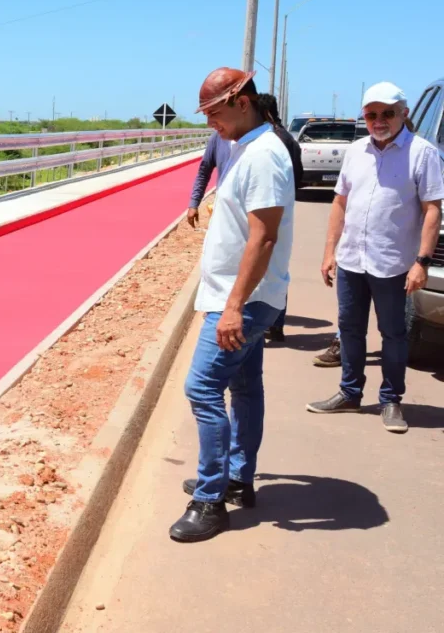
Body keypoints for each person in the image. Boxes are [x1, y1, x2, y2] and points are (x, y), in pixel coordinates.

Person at [172, 67, 294, 543]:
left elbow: (263, 238)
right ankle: (238, 478)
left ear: (242, 103)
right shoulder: (246, 147)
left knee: (202, 388)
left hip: (246, 301)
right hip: (244, 296)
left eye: (214, 113)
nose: (210, 124)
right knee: (244, 388)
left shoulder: (263, 155)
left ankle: (210, 501)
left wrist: (234, 307)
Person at [306, 82, 443, 433]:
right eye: (371, 115)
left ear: (404, 113)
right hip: (352, 260)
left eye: (387, 113)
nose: (379, 120)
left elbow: (432, 210)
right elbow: (340, 202)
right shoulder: (356, 151)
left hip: (393, 264)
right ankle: (349, 393)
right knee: (350, 329)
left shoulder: (422, 153)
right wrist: (329, 252)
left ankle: (391, 400)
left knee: (393, 334)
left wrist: (422, 262)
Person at [254, 92, 303, 342]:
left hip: (266, 209)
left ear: (263, 113)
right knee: (279, 268)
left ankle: (262, 322)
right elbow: (299, 176)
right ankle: (277, 325)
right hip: (286, 209)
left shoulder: (268, 141)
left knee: (262, 267)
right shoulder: (289, 139)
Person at [186, 131, 231, 228]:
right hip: (223, 209)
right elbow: (203, 173)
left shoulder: (260, 140)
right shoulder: (217, 138)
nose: (210, 124)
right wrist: (194, 203)